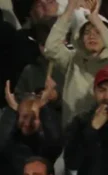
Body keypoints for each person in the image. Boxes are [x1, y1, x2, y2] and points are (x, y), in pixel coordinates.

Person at [44, 0, 108, 128]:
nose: (91, 36)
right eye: (87, 32)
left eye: (97, 31)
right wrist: (70, 8)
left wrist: (95, 18)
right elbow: (51, 48)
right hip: (72, 131)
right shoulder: (74, 59)